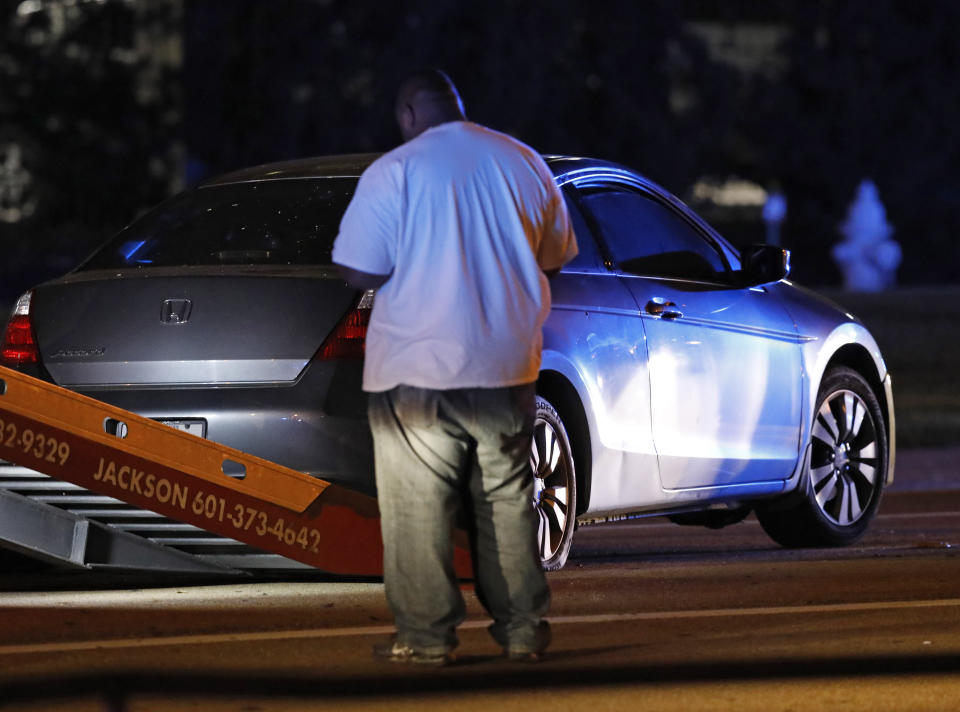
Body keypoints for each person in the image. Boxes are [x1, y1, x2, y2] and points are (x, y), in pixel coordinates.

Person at [332, 69, 578, 666]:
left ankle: (426, 638)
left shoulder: (395, 172)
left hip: (415, 370)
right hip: (506, 365)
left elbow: (357, 270)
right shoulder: (522, 162)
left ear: (409, 115)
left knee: (418, 508)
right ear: (459, 106)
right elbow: (555, 259)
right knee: (507, 497)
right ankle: (522, 630)